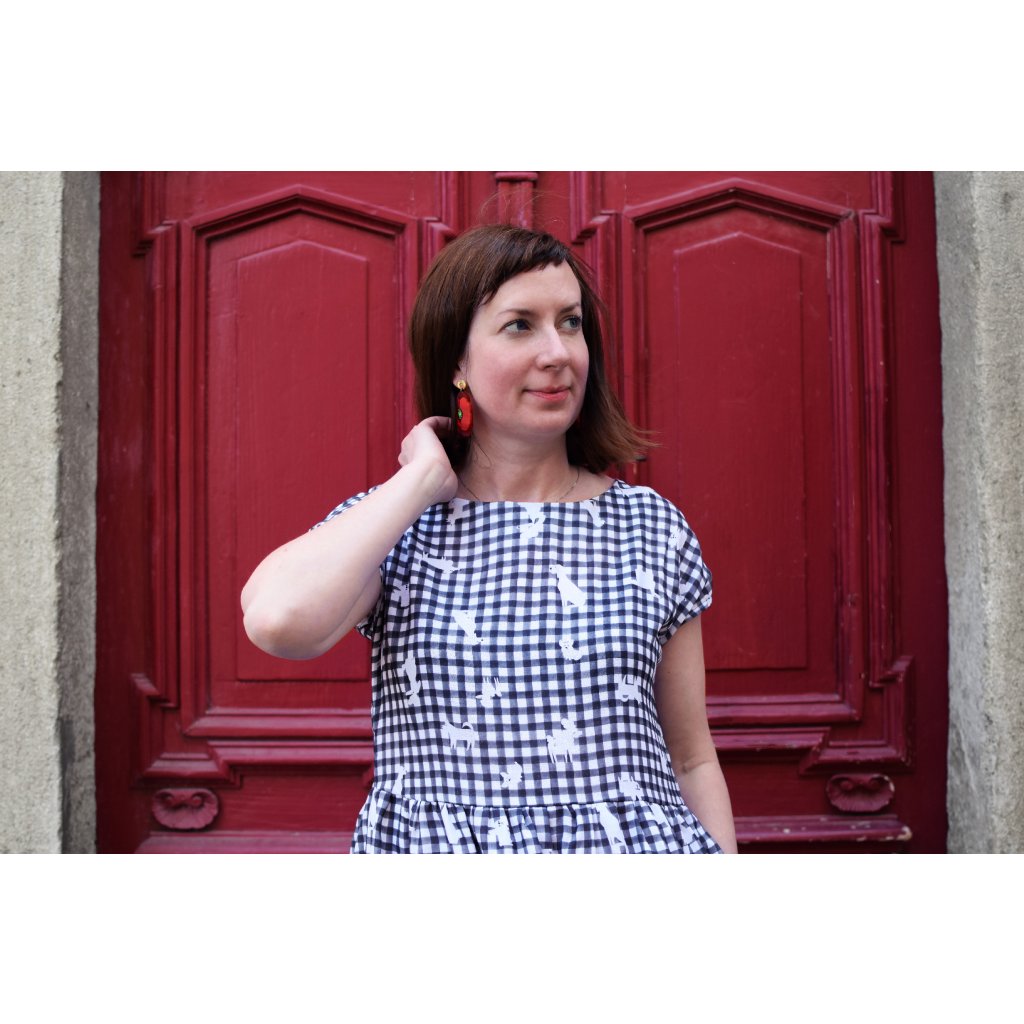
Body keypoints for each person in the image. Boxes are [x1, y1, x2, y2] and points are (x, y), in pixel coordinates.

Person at [241, 224, 738, 854]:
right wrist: (421, 480)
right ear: (457, 360)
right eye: (520, 325)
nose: (558, 352)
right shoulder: (399, 525)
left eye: (571, 322)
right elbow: (278, 620)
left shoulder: (650, 527)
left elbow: (692, 759)